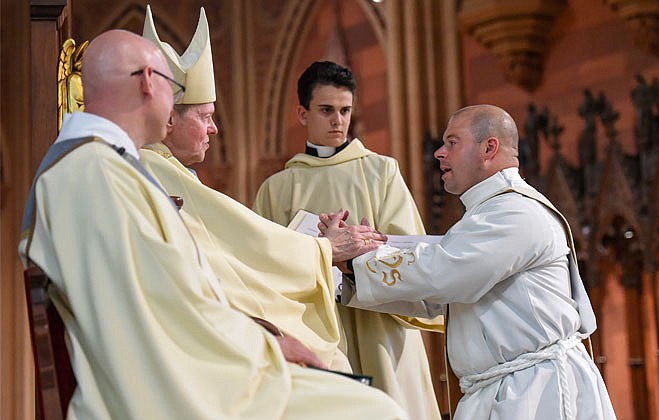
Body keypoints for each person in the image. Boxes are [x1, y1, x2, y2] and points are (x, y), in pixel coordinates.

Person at [18, 29, 405, 420]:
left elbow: (167, 293)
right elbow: (163, 309)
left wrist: (262, 342)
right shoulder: (97, 173)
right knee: (373, 410)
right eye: (177, 90)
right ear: (150, 83)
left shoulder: (99, 168)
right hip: (170, 391)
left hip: (180, 371)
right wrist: (265, 346)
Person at [319, 104, 617, 419]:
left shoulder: (514, 212)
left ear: (489, 148)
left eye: (452, 142)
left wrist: (358, 257)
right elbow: (438, 298)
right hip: (508, 389)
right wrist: (352, 272)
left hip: (537, 394)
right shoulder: (485, 214)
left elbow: (445, 273)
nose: (438, 153)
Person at [139, 5, 356, 371]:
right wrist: (323, 250)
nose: (214, 129)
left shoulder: (166, 169)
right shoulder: (155, 169)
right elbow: (244, 243)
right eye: (206, 117)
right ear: (170, 118)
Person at [253, 61, 443, 420]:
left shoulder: (381, 171)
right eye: (326, 111)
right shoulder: (275, 189)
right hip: (317, 332)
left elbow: (409, 251)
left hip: (381, 327)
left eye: (345, 111)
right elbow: (264, 269)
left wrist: (356, 260)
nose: (338, 121)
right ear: (302, 113)